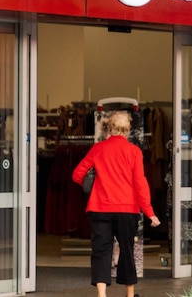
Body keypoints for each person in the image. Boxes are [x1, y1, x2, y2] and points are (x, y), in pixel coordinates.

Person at [73, 111, 160, 297]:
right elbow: (140, 183)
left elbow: (77, 174)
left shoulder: (98, 149)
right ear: (128, 131)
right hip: (126, 209)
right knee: (127, 251)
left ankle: (102, 295)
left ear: (109, 129)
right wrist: (150, 212)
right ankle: (129, 294)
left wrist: (93, 186)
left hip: (99, 207)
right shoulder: (134, 152)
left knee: (101, 251)